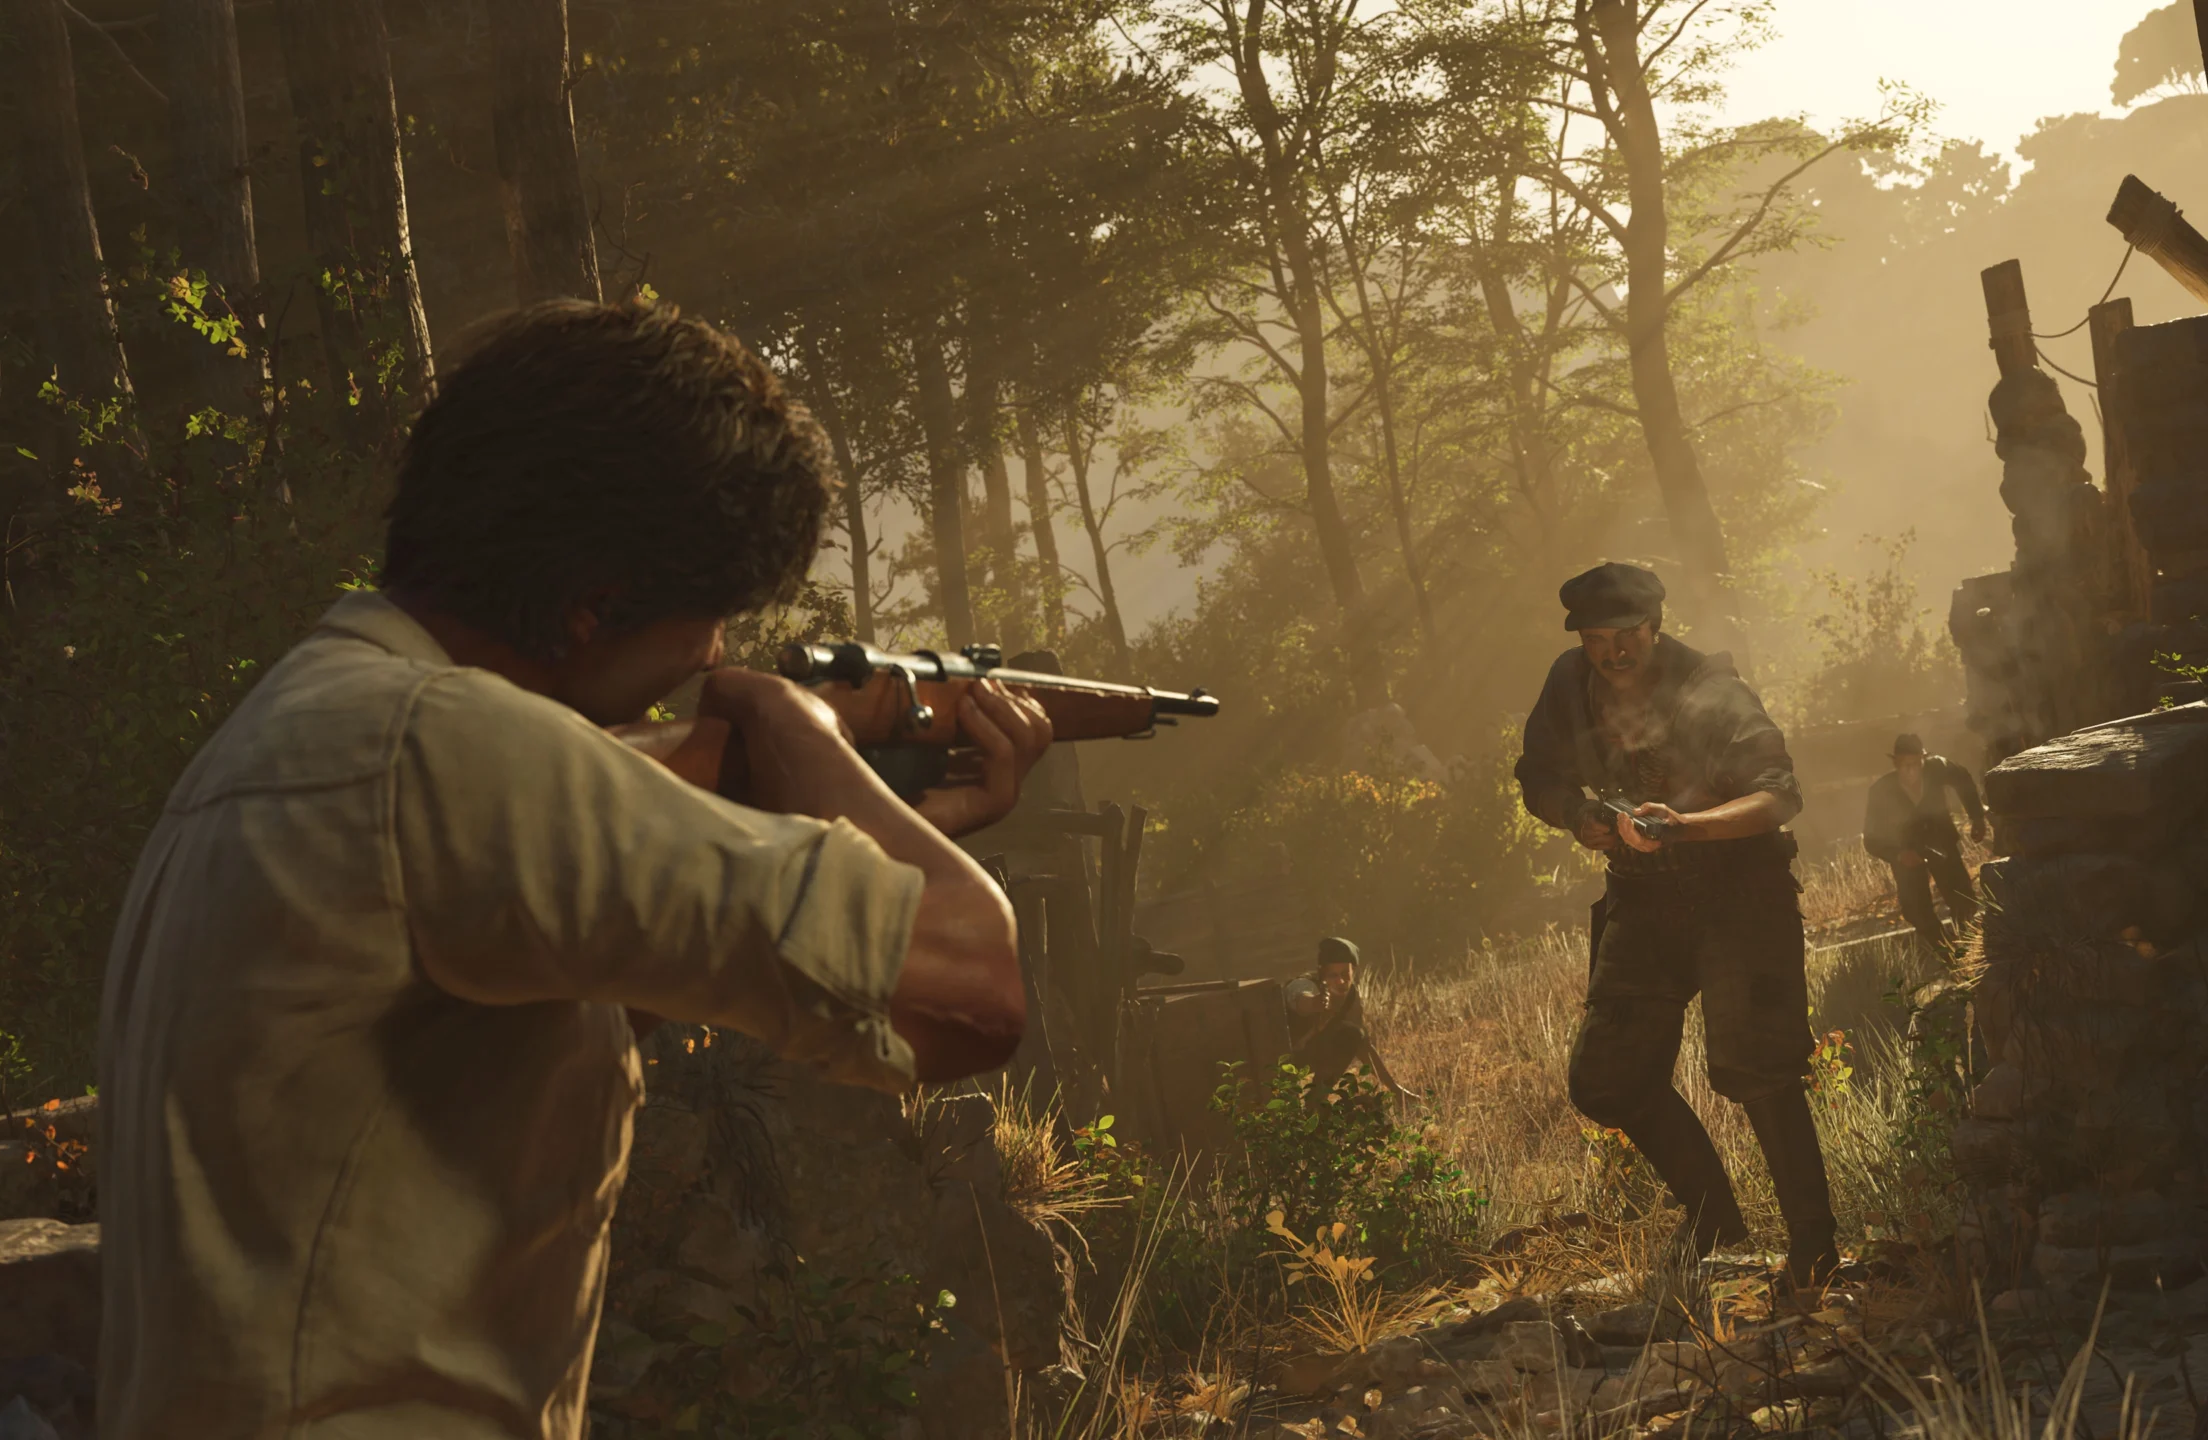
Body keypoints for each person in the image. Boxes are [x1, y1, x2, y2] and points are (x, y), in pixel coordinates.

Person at [96, 297, 1054, 1440]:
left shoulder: (307, 727)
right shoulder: (451, 750)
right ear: (592, 604)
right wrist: (791, 724)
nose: (708, 661)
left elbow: (513, 1033)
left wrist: (884, 812)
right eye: (706, 628)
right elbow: (973, 993)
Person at [1513, 562, 1839, 1288]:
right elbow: (1536, 774)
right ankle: (1715, 1222)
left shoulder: (1712, 691)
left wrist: (1686, 826)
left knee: (1757, 1068)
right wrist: (1577, 817)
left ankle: (1815, 1247)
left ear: (1655, 627)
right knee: (1608, 1080)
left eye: (1627, 635)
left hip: (1739, 896)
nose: (1613, 652)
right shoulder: (1567, 685)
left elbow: (1779, 796)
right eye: (1598, 638)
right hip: (1642, 901)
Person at [1862, 733, 1988, 956]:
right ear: (1895, 763)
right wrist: (1899, 854)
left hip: (1941, 843)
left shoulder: (1937, 768)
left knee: (1964, 900)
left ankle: (1971, 952)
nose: (1910, 770)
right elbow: (1871, 839)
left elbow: (1963, 779)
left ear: (1923, 760)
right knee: (1916, 910)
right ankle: (1947, 954)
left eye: (1914, 764)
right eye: (1903, 765)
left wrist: (1977, 816)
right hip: (1906, 852)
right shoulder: (1881, 791)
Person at [1282, 937, 1415, 1100]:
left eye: (1346, 974)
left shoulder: (1350, 997)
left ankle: (1317, 1098)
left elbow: (1363, 1046)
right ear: (1322, 972)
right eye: (1333, 975)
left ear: (1354, 971)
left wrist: (1395, 1089)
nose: (1340, 981)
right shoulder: (1304, 984)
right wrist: (1315, 1003)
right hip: (1280, 1061)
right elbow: (1300, 998)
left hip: (1310, 1055)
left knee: (1352, 1034)